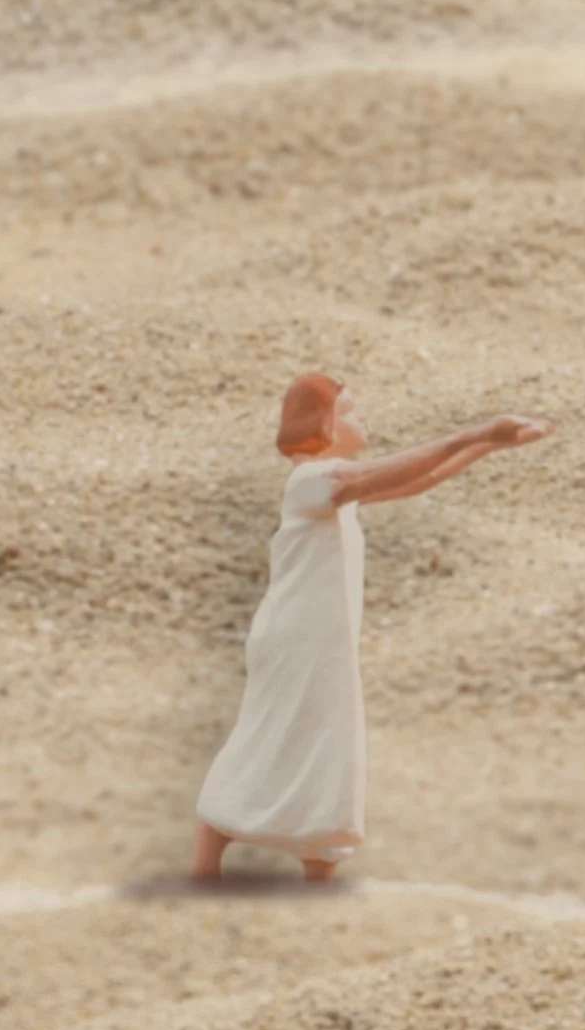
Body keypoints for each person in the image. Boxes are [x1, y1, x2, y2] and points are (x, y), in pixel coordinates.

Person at [191, 374, 551, 883]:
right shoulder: (313, 480)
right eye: (352, 411)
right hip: (298, 639)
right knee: (279, 733)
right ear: (324, 423)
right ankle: (213, 841)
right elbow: (393, 470)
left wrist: (488, 445)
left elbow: (414, 480)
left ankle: (317, 858)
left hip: (319, 637)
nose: (363, 420)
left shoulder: (334, 482)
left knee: (323, 738)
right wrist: (475, 433)